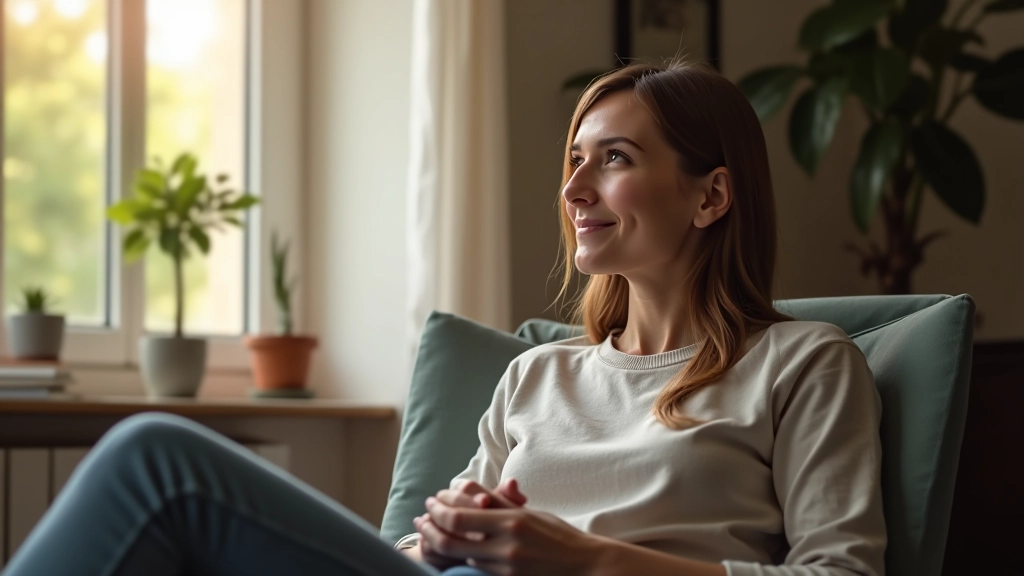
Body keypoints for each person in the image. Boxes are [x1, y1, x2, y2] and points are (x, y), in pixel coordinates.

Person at [1, 61, 885, 576]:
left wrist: (587, 562)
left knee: (158, 460)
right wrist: (447, 527)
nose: (574, 189)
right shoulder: (538, 374)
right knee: (154, 474)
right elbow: (420, 555)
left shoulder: (803, 364)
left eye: (613, 160)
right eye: (573, 162)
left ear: (711, 196)